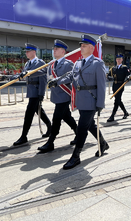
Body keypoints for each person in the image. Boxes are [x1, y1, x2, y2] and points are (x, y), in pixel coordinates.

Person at [48, 34, 109, 169]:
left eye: (84, 46)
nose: (81, 48)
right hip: (80, 101)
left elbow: (102, 85)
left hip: (91, 100)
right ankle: (103, 143)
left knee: (82, 128)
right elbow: (70, 76)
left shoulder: (98, 63)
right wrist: (57, 81)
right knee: (90, 124)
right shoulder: (78, 63)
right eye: (81, 45)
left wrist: (100, 104)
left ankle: (76, 156)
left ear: (92, 48)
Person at [37, 40, 77, 153]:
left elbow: (71, 77)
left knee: (56, 118)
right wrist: (27, 72)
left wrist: (58, 82)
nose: (54, 50)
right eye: (54, 48)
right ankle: (78, 133)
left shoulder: (68, 64)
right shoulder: (51, 64)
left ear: (63, 51)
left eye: (57, 49)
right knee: (67, 117)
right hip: (56, 96)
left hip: (64, 95)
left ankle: (51, 142)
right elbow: (41, 71)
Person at [13, 43, 51, 146]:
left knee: (29, 113)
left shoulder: (40, 63)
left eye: (28, 51)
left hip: (36, 91)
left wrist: (41, 94)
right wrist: (11, 77)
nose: (26, 53)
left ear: (34, 52)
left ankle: (24, 136)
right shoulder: (27, 64)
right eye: (26, 51)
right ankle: (50, 126)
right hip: (30, 91)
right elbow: (23, 75)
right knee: (39, 111)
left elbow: (43, 80)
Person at [106, 54, 129, 122]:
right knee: (118, 100)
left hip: (121, 85)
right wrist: (109, 77)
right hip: (114, 85)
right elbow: (108, 75)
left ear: (122, 60)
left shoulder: (124, 67)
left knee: (116, 101)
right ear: (116, 60)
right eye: (117, 59)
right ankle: (125, 112)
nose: (118, 60)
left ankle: (112, 116)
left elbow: (128, 75)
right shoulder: (113, 68)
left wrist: (127, 78)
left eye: (120, 59)